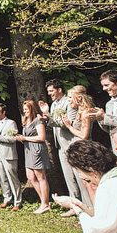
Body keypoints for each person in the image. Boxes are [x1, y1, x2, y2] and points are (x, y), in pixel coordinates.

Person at [39, 79, 83, 216]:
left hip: (72, 143)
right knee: (69, 176)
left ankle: (85, 205)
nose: (50, 93)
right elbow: (54, 123)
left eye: (51, 91)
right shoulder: (53, 105)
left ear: (59, 90)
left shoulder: (69, 102)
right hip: (61, 145)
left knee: (79, 175)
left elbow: (68, 124)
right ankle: (73, 206)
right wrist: (47, 116)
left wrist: (48, 117)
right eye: (48, 91)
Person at [60, 85, 95, 209]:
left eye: (70, 97)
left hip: (84, 149)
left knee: (86, 181)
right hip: (78, 148)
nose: (68, 100)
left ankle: (91, 209)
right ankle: (85, 209)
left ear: (79, 98)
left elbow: (84, 135)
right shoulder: (79, 111)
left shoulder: (86, 113)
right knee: (81, 181)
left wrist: (69, 127)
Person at [15, 100, 50, 214]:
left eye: (27, 109)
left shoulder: (37, 121)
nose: (25, 111)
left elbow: (41, 137)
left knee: (41, 177)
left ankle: (45, 204)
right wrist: (21, 138)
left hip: (37, 150)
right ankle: (43, 201)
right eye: (24, 109)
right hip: (29, 150)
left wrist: (25, 138)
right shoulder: (27, 121)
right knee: (30, 177)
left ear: (32, 109)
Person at [0, 103, 22, 211]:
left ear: (4, 112)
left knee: (12, 178)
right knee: (2, 178)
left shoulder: (11, 123)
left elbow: (13, 139)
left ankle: (17, 202)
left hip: (9, 154)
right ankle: (7, 199)